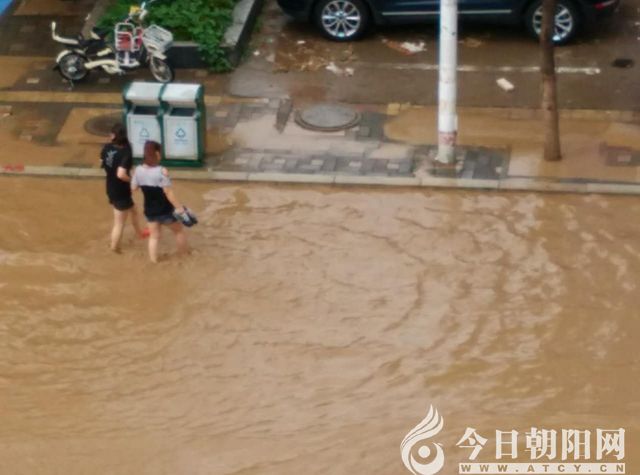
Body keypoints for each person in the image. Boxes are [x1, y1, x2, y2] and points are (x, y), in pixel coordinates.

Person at [131, 141, 189, 263]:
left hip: (150, 211)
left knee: (154, 237)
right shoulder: (162, 171)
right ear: (157, 153)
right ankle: (184, 257)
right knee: (179, 231)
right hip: (165, 210)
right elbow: (168, 192)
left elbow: (134, 188)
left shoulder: (138, 170)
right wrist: (179, 208)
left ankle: (153, 261)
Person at [100, 123, 146, 252]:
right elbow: (121, 174)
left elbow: (102, 162)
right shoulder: (126, 150)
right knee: (119, 223)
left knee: (134, 210)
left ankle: (139, 234)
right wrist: (133, 181)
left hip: (110, 187)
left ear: (114, 136)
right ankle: (114, 248)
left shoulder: (107, 147)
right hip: (121, 191)